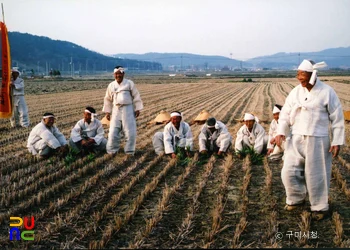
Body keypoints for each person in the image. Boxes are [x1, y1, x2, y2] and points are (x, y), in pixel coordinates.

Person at [275, 59, 345, 221]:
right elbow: (285, 114)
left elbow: (337, 118)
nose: (299, 78)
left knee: (317, 174)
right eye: (298, 74)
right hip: (296, 137)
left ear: (313, 74)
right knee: (289, 171)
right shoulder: (296, 92)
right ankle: (296, 198)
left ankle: (319, 207)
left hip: (318, 139)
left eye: (302, 74)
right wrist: (281, 132)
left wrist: (336, 141)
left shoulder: (327, 92)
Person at [102, 66, 143, 156]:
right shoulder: (111, 85)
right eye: (116, 74)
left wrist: (137, 109)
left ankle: (129, 151)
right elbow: (107, 99)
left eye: (120, 74)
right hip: (116, 109)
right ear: (114, 75)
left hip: (127, 109)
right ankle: (112, 150)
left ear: (123, 74)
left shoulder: (129, 83)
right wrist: (107, 112)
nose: (118, 75)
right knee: (113, 131)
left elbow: (136, 96)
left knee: (129, 131)